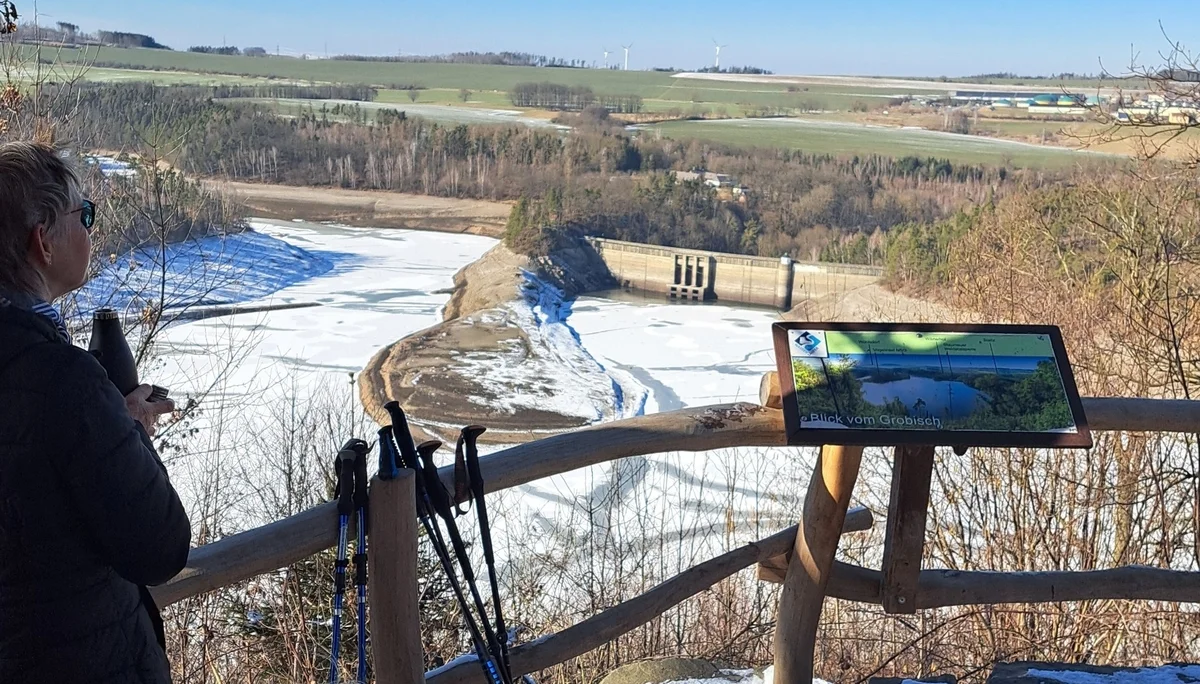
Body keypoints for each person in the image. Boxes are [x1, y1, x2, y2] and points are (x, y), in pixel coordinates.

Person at [0, 141, 192, 683]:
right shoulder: (64, 380)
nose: (91, 228)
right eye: (83, 215)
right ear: (43, 240)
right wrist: (131, 433)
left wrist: (111, 418)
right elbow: (162, 546)